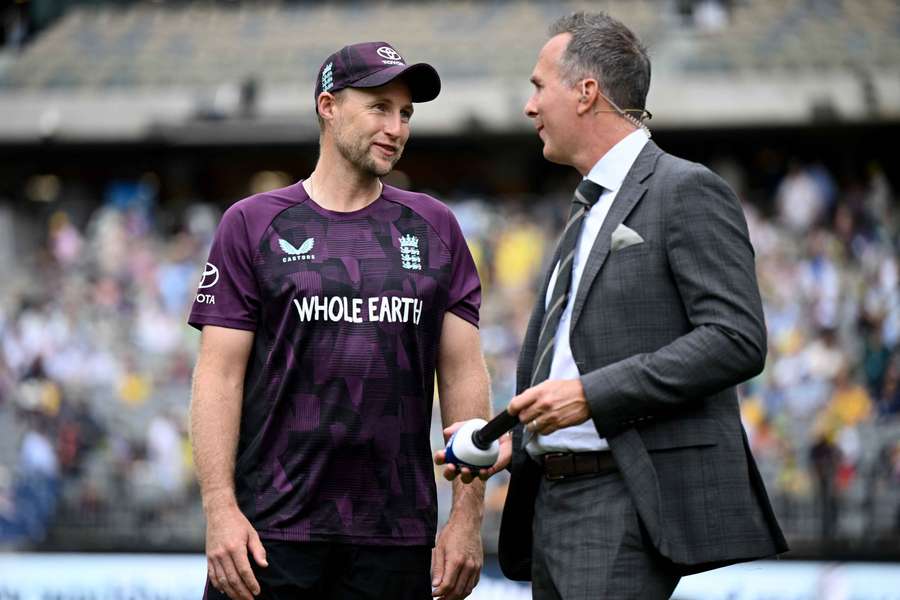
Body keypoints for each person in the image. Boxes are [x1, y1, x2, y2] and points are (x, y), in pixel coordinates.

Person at [437, 12, 788, 599]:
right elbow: (573, 359)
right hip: (553, 499)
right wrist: (516, 440)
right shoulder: (588, 204)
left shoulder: (684, 189)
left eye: (537, 86)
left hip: (619, 498)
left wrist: (590, 396)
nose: (529, 106)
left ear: (586, 92)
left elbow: (736, 338)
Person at [189, 41, 489, 600]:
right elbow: (218, 377)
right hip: (267, 536)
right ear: (328, 106)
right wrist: (220, 511)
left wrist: (467, 521)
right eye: (378, 106)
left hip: (396, 540)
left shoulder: (434, 227)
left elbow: (464, 378)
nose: (396, 127)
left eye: (405, 113)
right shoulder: (252, 224)